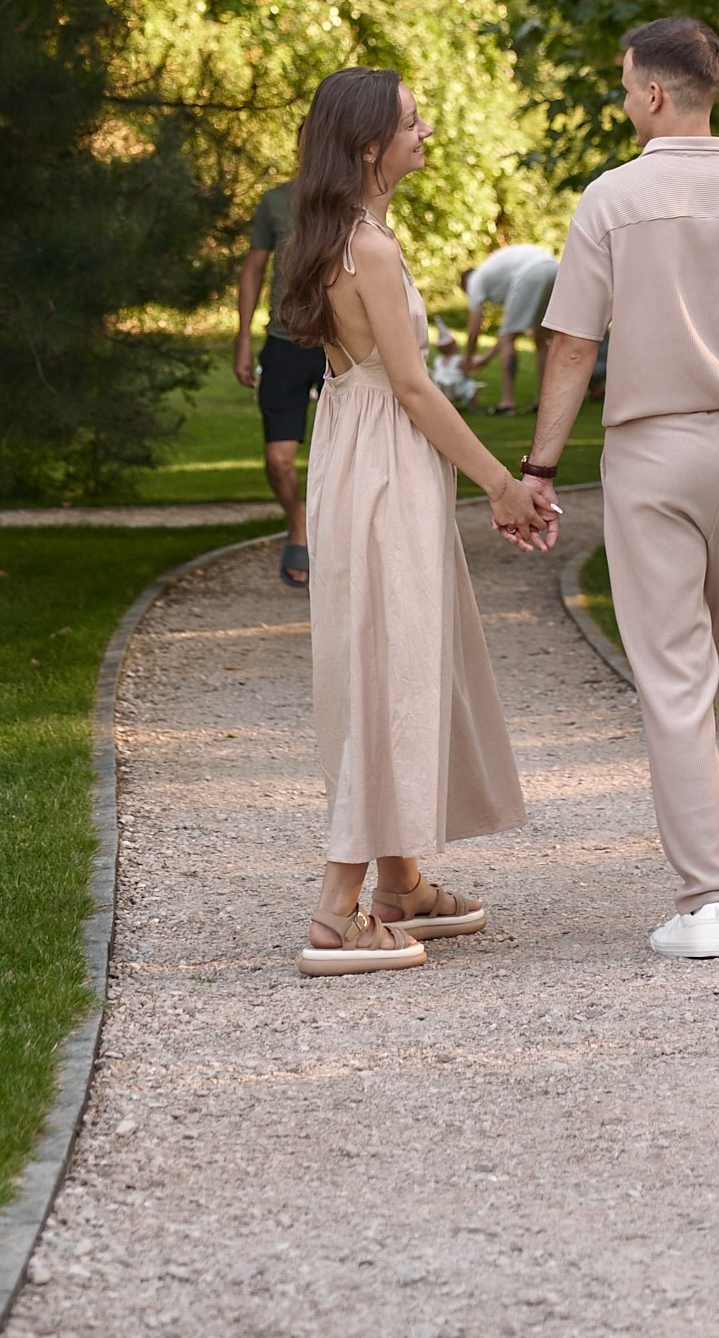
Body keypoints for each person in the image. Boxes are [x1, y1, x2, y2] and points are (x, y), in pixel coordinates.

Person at [519, 15, 719, 961]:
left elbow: (571, 345)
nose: (625, 101)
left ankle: (703, 903)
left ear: (654, 94)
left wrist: (539, 469)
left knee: (673, 679)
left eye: (626, 87)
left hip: (654, 453)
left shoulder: (610, 199)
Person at [278, 66, 559, 976]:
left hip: (356, 460)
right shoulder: (369, 248)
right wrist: (501, 484)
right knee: (387, 671)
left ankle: (399, 884)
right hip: (385, 469)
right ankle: (336, 911)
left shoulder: (335, 237)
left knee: (390, 655)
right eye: (411, 121)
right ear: (370, 147)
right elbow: (411, 386)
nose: (426, 130)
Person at [232, 176, 326, 589]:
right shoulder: (275, 202)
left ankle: (343, 540)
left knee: (352, 456)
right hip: (284, 345)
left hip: (341, 345)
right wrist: (242, 339)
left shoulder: (354, 194)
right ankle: (299, 523)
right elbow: (253, 269)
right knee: (278, 461)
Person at [460, 236, 562, 414]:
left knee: (508, 338)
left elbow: (475, 328)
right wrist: (484, 359)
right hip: (554, 268)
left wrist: (467, 358)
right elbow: (508, 331)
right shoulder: (494, 272)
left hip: (532, 272)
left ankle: (507, 403)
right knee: (541, 338)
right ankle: (543, 401)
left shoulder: (475, 280)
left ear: (465, 284)